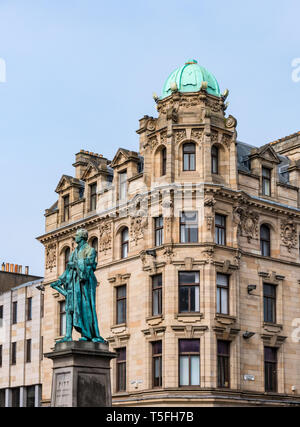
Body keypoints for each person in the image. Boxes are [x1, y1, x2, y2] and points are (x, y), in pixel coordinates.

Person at [51, 228, 106, 343]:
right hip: (74, 283)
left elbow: (90, 267)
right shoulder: (73, 252)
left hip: (85, 283)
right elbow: (68, 269)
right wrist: (60, 280)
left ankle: (87, 334)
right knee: (71, 308)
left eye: (76, 236)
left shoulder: (90, 250)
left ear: (81, 237)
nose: (74, 237)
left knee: (86, 307)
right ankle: (68, 335)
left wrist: (75, 264)